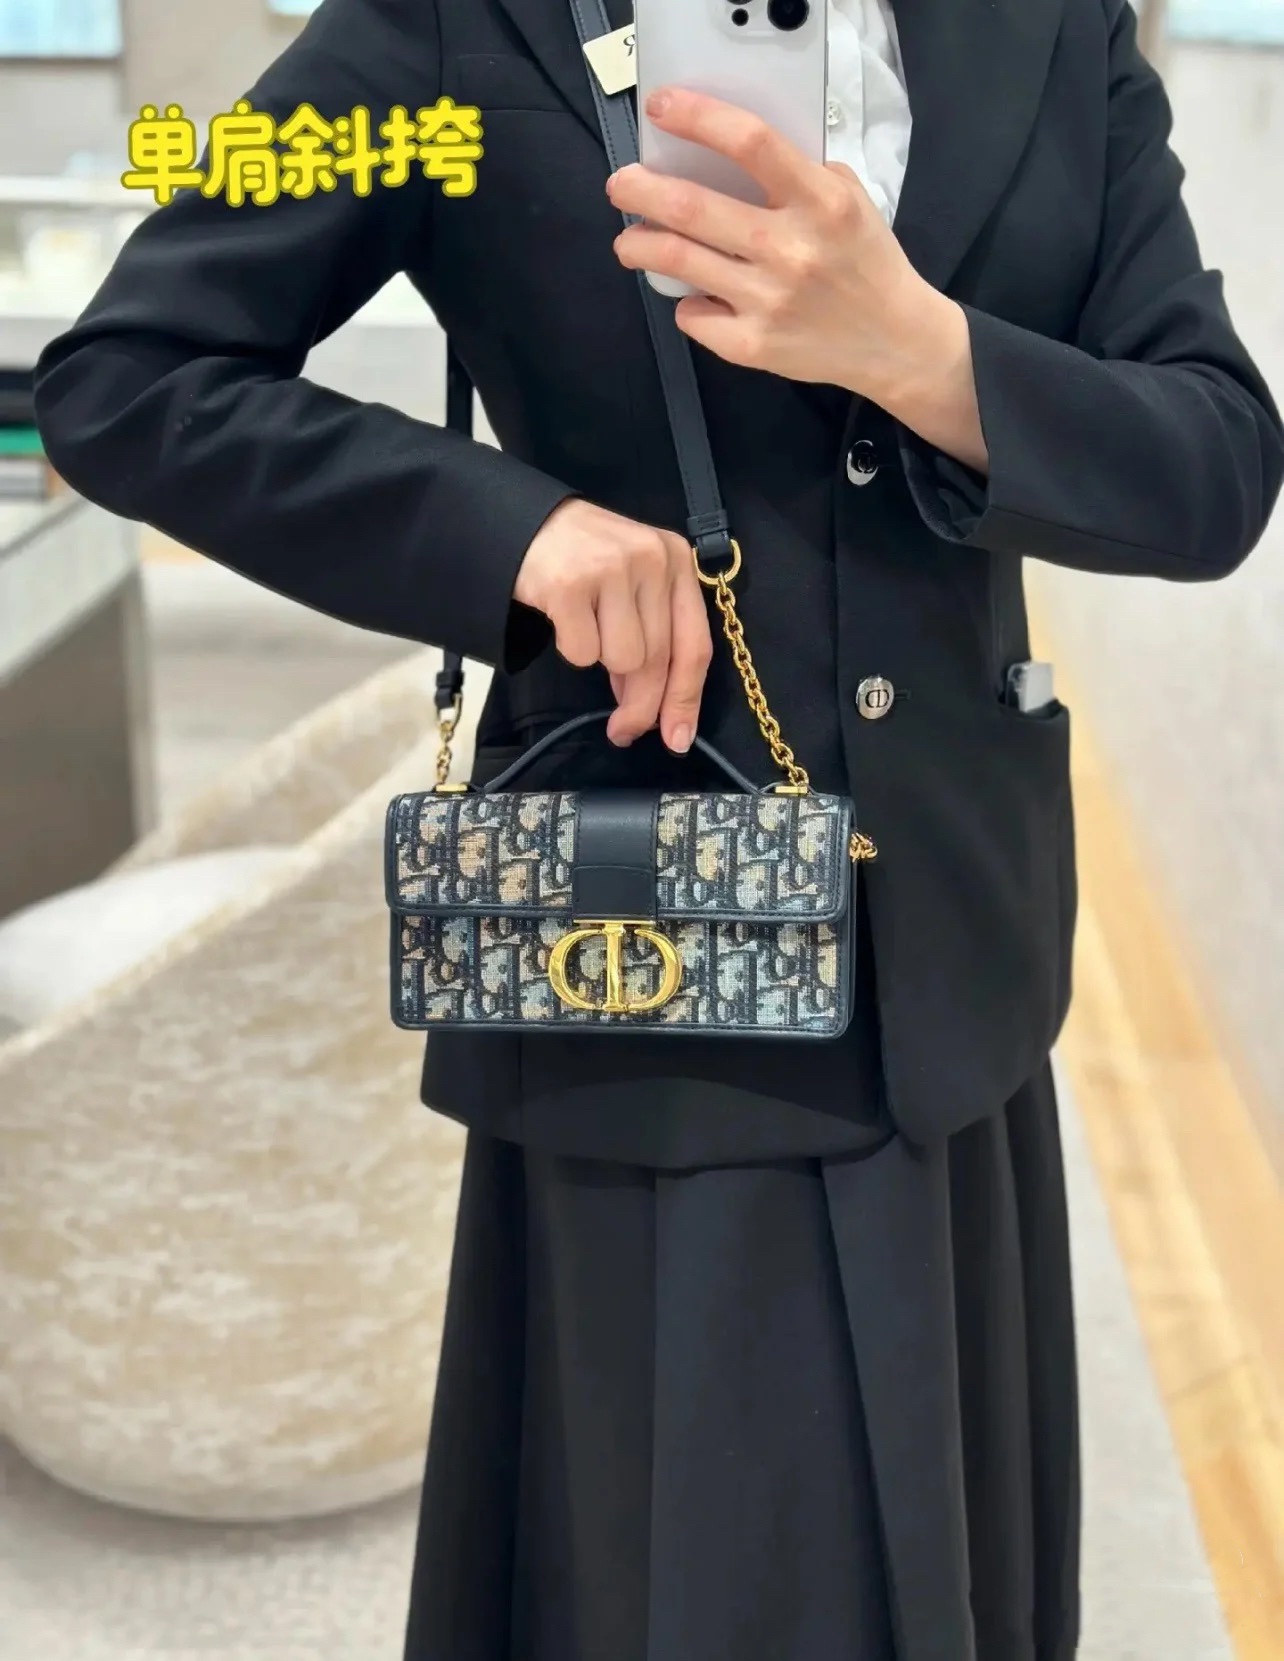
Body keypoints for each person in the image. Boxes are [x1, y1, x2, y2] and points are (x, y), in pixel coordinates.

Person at [32, 0, 1283, 1655]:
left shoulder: (1051, 26)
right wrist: (513, 532)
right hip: (649, 968)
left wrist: (921, 352)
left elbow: (1214, 459)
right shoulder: (453, 24)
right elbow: (128, 377)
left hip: (956, 971)